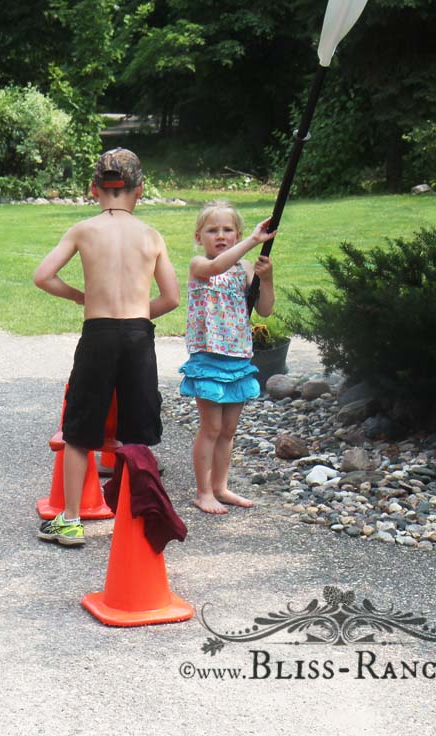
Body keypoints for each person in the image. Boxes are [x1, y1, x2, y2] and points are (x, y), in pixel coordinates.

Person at [32, 148, 180, 546]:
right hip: (137, 335)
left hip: (97, 334)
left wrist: (82, 297)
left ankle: (71, 520)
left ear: (93, 189)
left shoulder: (83, 229)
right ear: (140, 190)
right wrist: (134, 313)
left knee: (81, 429)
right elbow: (171, 298)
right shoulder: (151, 235)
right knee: (136, 432)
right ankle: (132, 519)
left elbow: (43, 276)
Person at [180, 200, 276, 514]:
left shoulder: (246, 269)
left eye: (228, 230)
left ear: (236, 234)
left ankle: (221, 487)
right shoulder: (199, 265)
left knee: (229, 430)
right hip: (209, 357)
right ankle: (203, 491)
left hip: (238, 358)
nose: (220, 236)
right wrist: (253, 241)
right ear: (199, 237)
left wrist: (267, 279)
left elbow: (264, 309)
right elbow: (218, 266)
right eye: (212, 230)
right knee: (211, 427)